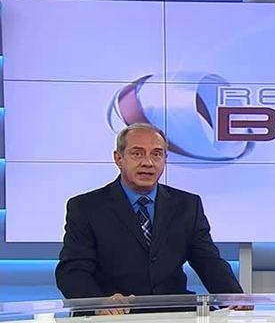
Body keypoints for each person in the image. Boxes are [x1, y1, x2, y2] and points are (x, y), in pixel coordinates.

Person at [56, 123, 243, 312]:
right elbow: (72, 271)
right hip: (115, 318)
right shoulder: (86, 207)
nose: (148, 163)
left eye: (156, 154)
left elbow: (208, 260)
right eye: (137, 154)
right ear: (118, 158)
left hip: (173, 316)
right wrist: (99, 303)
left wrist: (233, 296)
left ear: (165, 160)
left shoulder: (187, 205)